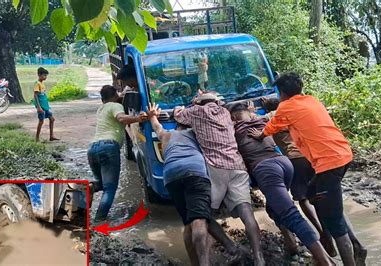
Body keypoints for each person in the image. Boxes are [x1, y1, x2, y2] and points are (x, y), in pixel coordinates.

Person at [249, 72, 366, 266]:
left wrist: (259, 136)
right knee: (314, 194)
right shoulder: (311, 100)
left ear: (282, 93)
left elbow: (271, 128)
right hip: (343, 155)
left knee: (334, 219)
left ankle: (350, 251)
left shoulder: (285, 107)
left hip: (329, 163)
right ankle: (328, 237)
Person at [229, 102, 334, 266]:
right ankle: (291, 245)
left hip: (266, 170)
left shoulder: (234, 129)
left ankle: (324, 260)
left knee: (291, 215)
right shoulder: (262, 122)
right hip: (284, 164)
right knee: (273, 207)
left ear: (233, 117)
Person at [174, 92, 265, 266]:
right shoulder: (225, 112)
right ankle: (259, 257)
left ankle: (229, 246)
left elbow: (178, 113)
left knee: (203, 214)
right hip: (237, 165)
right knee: (247, 213)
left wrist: (190, 104)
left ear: (198, 103)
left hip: (215, 167)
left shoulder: (196, 112)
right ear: (217, 102)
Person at [261, 97, 338, 257]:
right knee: (318, 198)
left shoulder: (272, 116)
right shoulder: (292, 112)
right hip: (312, 155)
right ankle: (330, 234)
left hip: (296, 159)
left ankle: (320, 233)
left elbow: (253, 122)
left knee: (302, 199)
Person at [147, 102, 211, 266]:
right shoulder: (195, 132)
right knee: (199, 220)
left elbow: (155, 125)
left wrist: (153, 114)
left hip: (171, 175)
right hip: (194, 171)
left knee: (188, 223)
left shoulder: (166, 135)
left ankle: (194, 264)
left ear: (176, 125)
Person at [88, 85, 148, 221]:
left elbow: (121, 126)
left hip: (92, 148)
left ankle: (90, 187)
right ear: (115, 95)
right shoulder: (115, 106)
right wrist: (138, 118)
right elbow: (121, 119)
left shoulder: (101, 109)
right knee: (110, 188)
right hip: (108, 147)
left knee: (101, 184)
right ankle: (98, 221)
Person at [33, 67, 59, 142]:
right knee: (41, 121)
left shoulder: (42, 83)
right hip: (41, 106)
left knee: (52, 119)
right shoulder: (37, 84)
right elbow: (35, 96)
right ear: (39, 75)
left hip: (45, 106)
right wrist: (39, 107)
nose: (45, 77)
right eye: (44, 75)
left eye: (46, 75)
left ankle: (51, 136)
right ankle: (37, 138)